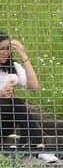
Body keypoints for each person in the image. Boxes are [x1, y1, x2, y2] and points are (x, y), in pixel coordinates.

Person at [0, 32, 52, 160]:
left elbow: (34, 85)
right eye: (2, 49)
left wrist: (23, 55)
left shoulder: (12, 67)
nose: (5, 52)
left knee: (17, 104)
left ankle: (39, 147)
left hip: (4, 122)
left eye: (8, 48)